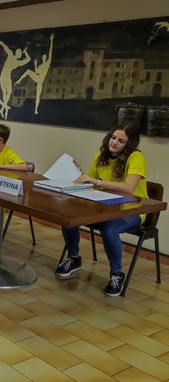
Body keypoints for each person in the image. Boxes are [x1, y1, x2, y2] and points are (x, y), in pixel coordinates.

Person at [55, 123, 147, 296]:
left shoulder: (136, 157)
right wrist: (79, 174)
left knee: (109, 228)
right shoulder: (100, 155)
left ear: (130, 144)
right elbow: (90, 182)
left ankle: (116, 274)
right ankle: (74, 259)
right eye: (113, 137)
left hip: (132, 210)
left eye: (121, 141)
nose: (114, 142)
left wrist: (97, 181)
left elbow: (128, 188)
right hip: (104, 207)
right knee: (69, 217)